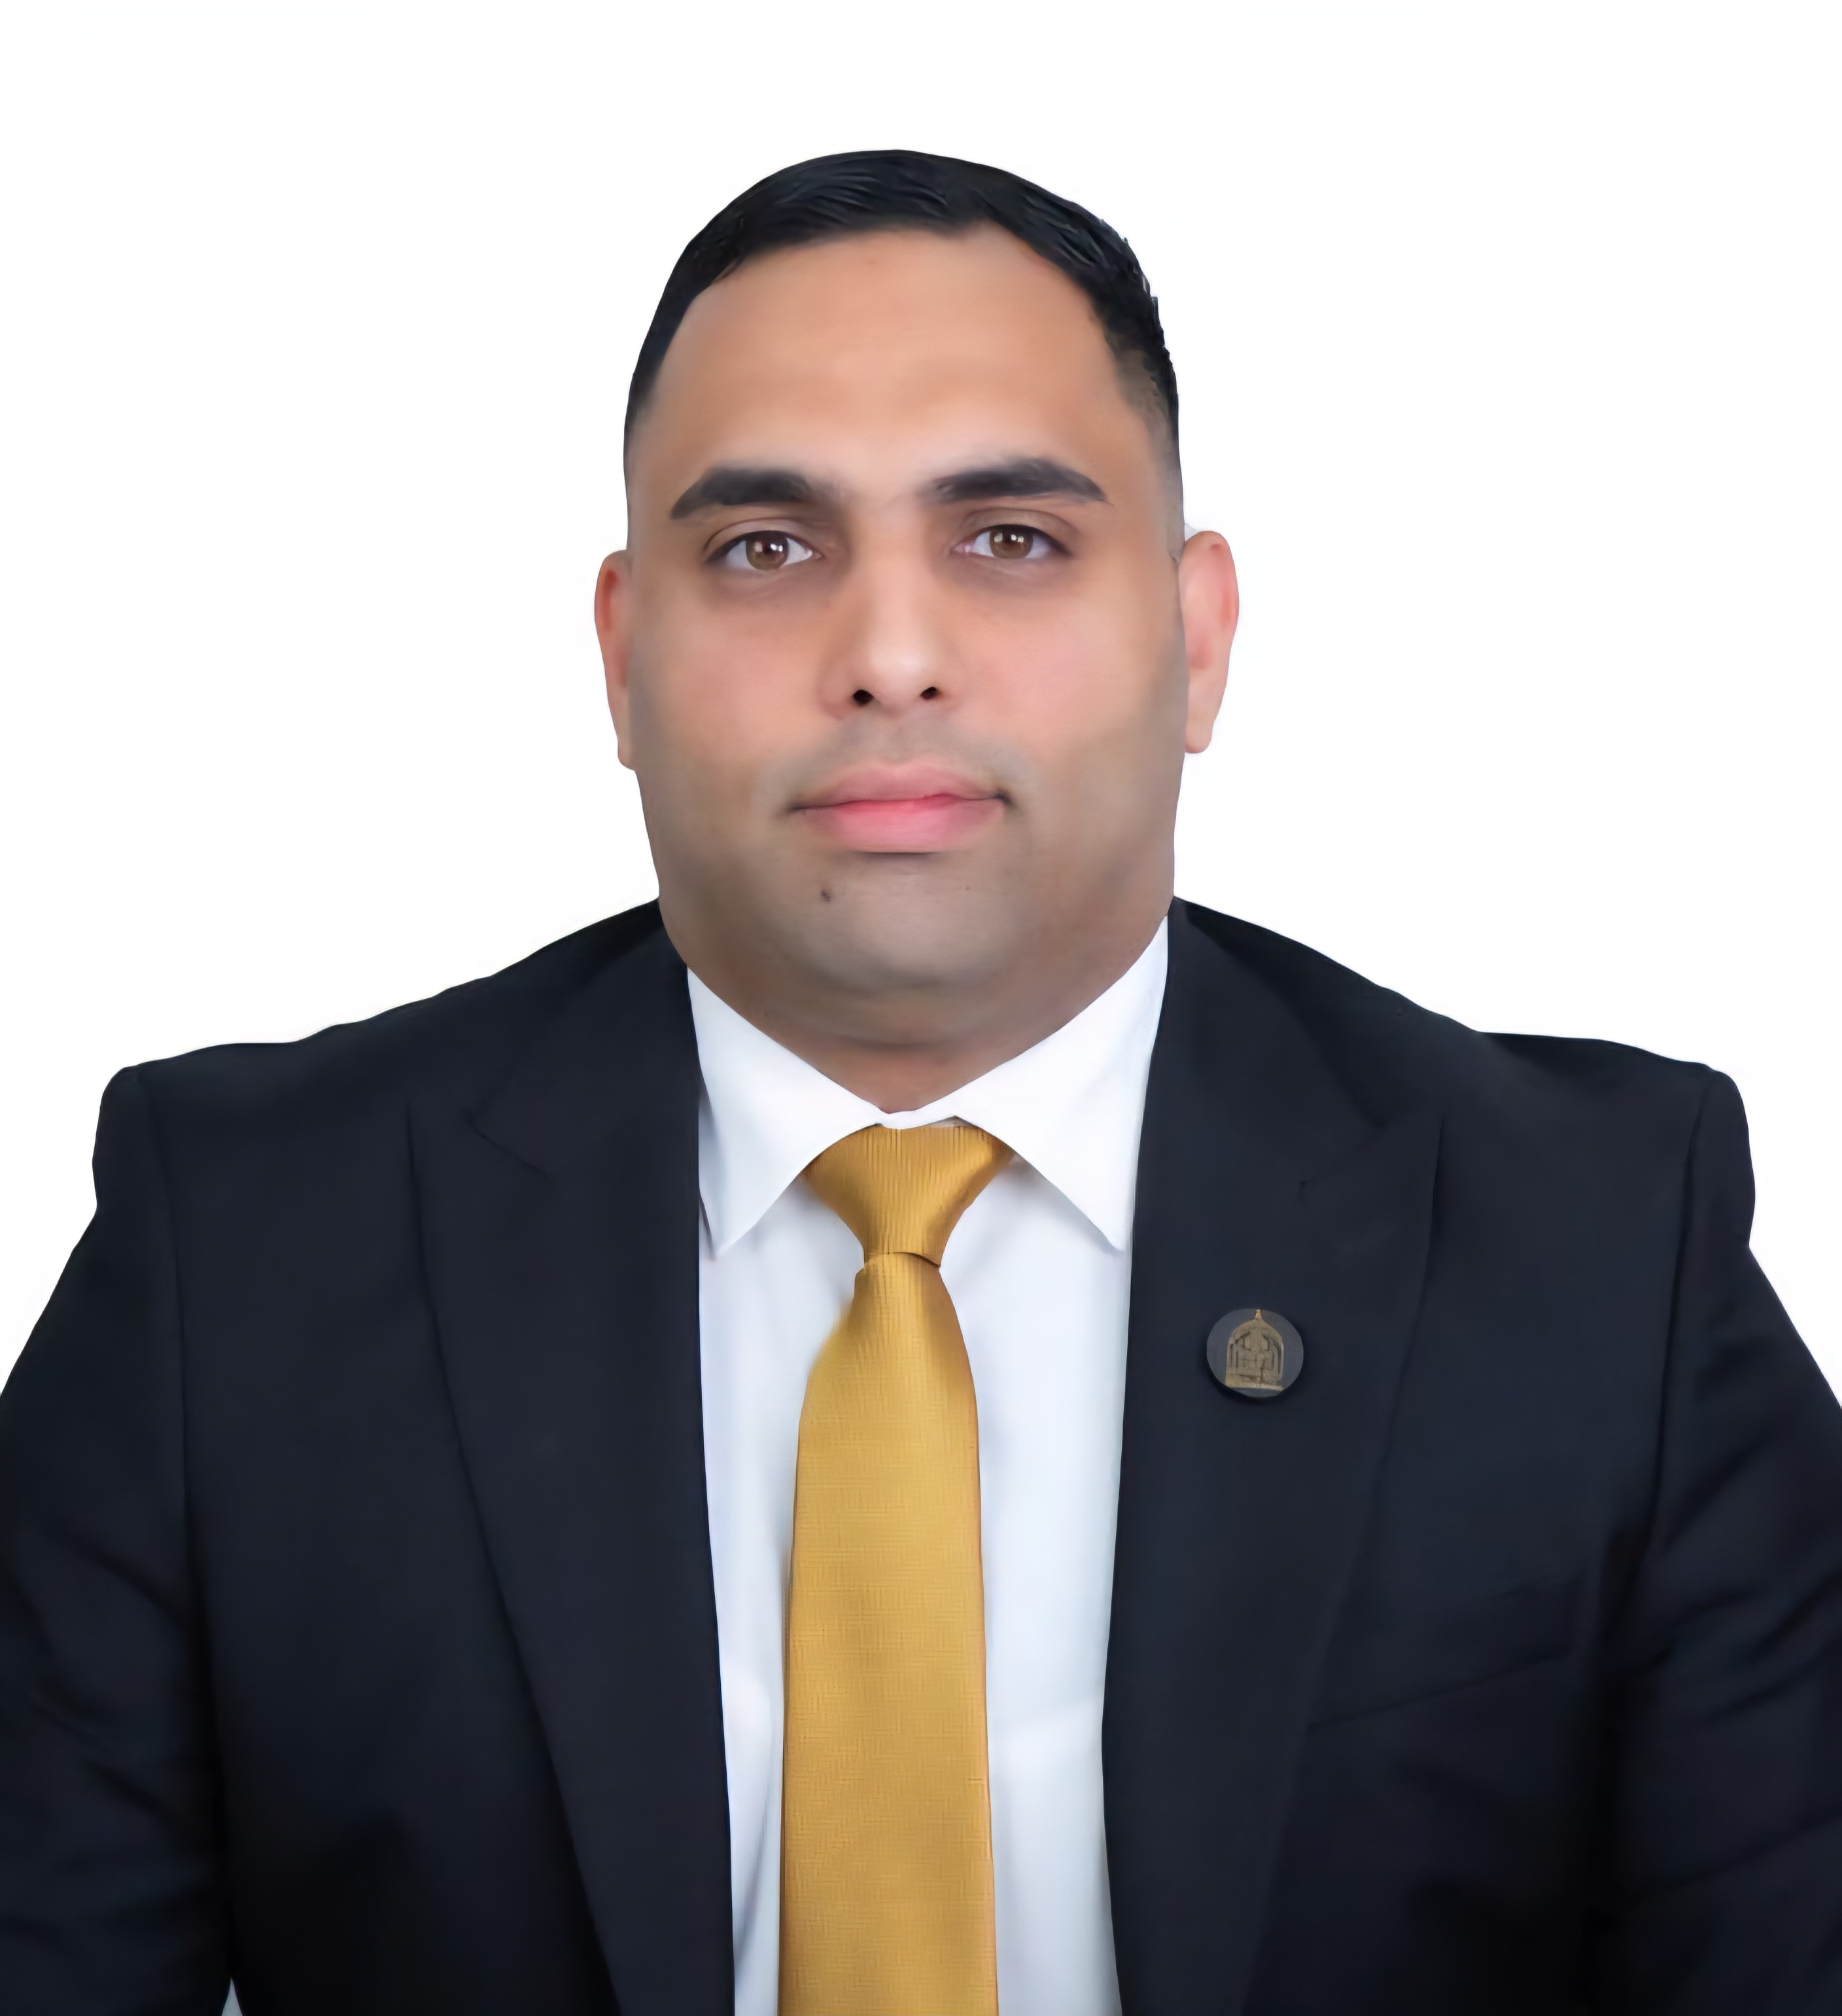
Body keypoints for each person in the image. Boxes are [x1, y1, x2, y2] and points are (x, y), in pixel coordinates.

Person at [1, 149, 1838, 2016]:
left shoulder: (1600, 1249)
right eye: (766, 549)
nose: (889, 657)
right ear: (622, 657)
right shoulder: (241, 1251)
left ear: (1197, 638)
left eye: (1010, 539)